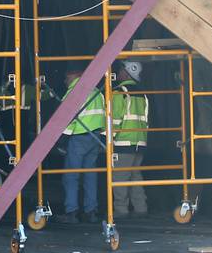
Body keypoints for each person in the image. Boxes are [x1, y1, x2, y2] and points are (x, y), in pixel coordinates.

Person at [57, 69, 106, 224]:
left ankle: (72, 212)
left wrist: (62, 142)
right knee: (90, 176)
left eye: (66, 76)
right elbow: (105, 115)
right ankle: (90, 211)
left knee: (71, 176)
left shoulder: (74, 92)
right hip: (95, 138)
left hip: (79, 138)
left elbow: (66, 120)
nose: (65, 80)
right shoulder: (97, 91)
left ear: (74, 75)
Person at [111, 61, 149, 219]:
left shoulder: (120, 92)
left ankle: (121, 210)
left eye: (120, 70)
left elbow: (116, 119)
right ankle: (141, 208)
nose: (118, 73)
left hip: (123, 142)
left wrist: (109, 139)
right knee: (135, 176)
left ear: (126, 73)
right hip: (140, 142)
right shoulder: (142, 94)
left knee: (120, 178)